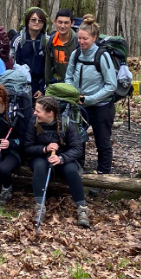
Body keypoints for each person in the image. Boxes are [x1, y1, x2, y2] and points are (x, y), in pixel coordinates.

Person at [25, 96, 89, 227]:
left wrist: (61, 158)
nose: (34, 113)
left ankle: (82, 209)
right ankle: (39, 206)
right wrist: (44, 149)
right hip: (40, 157)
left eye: (38, 111)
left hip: (63, 158)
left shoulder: (67, 124)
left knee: (71, 170)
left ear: (50, 113)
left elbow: (77, 149)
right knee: (39, 165)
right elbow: (27, 147)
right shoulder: (34, 123)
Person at [65, 14, 117, 175]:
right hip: (79, 106)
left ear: (94, 38)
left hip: (101, 107)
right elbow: (68, 76)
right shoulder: (76, 54)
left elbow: (111, 85)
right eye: (79, 38)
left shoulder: (102, 56)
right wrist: (72, 93)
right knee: (77, 140)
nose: (81, 42)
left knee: (102, 142)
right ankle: (77, 171)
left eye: (85, 39)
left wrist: (90, 99)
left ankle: (103, 175)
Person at [13, 7, 48, 98]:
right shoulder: (18, 40)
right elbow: (12, 63)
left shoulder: (47, 41)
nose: (37, 22)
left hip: (40, 85)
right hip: (21, 84)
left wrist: (42, 89)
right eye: (33, 20)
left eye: (40, 20)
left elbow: (50, 68)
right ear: (27, 21)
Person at [45, 8, 77, 86]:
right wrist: (47, 85)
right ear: (55, 22)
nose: (62, 26)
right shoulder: (51, 41)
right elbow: (48, 66)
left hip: (75, 85)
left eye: (66, 23)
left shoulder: (78, 42)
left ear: (72, 23)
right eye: (60, 22)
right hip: (58, 84)